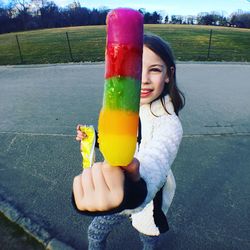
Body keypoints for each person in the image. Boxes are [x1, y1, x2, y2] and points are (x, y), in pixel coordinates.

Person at [73, 33, 185, 250]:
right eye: (135, 68)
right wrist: (95, 137)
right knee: (95, 232)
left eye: (154, 69)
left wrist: (137, 183)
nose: (143, 78)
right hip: (118, 186)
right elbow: (123, 141)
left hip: (145, 193)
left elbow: (156, 160)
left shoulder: (169, 125)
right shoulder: (128, 107)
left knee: (147, 237)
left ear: (168, 74)